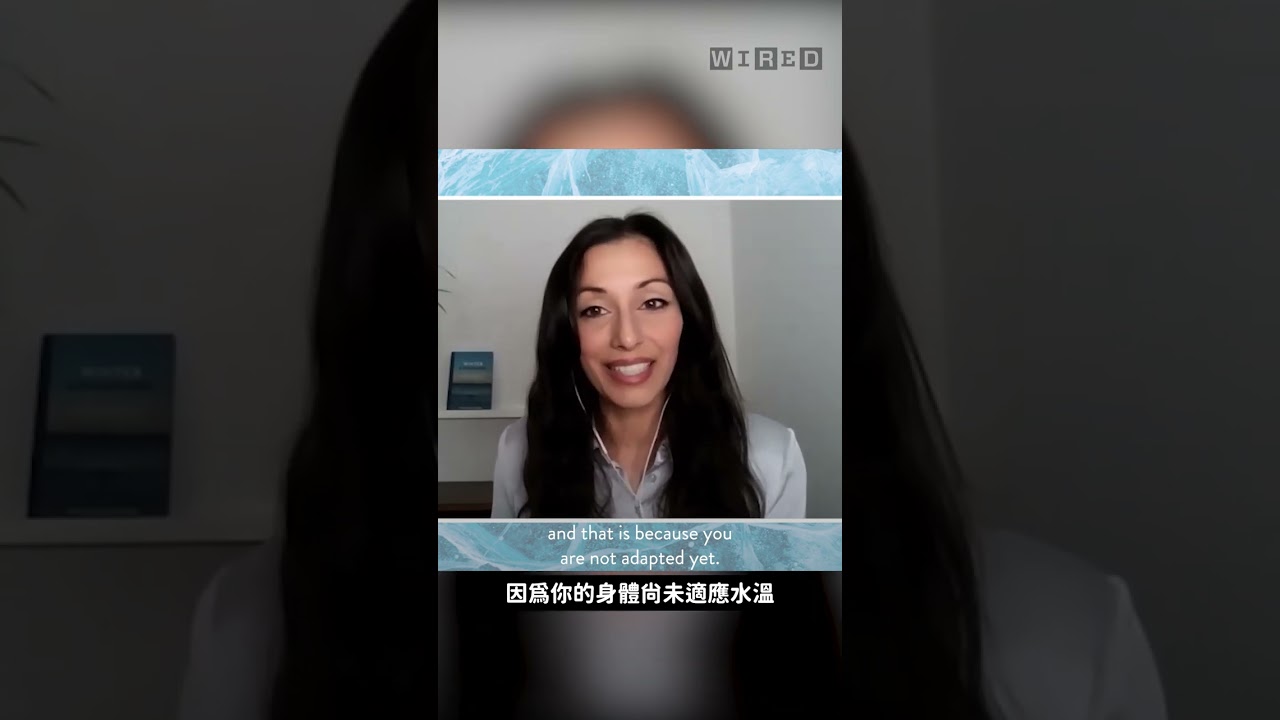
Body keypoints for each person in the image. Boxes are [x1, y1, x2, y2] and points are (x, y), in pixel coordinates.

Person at [489, 212, 807, 520]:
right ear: (566, 332)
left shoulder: (770, 456)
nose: (627, 338)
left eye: (652, 303)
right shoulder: (518, 451)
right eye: (595, 310)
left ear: (687, 318)